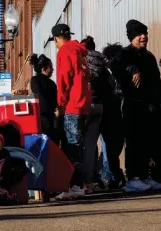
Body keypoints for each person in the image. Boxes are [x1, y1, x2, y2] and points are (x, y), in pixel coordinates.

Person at [111, 20, 161, 192]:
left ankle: (144, 175)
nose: (143, 37)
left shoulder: (149, 56)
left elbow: (157, 83)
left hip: (149, 106)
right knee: (134, 142)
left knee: (147, 142)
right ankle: (133, 178)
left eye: (145, 33)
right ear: (131, 37)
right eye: (138, 34)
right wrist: (131, 69)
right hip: (132, 106)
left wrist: (156, 100)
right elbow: (115, 66)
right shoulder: (124, 55)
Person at [52, 24, 91, 200]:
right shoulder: (80, 51)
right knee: (79, 147)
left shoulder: (64, 51)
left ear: (56, 39)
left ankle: (75, 186)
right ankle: (80, 184)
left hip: (72, 105)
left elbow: (63, 80)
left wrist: (60, 104)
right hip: (84, 104)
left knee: (72, 147)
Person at [80, 36, 112, 193]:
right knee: (93, 144)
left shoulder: (82, 59)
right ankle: (91, 182)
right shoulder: (103, 60)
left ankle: (85, 181)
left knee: (81, 145)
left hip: (84, 104)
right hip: (99, 105)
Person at [100, 43, 126, 189]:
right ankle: (111, 176)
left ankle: (113, 175)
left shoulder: (117, 74)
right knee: (110, 148)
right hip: (110, 115)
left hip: (115, 115)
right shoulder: (106, 74)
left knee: (112, 148)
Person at [29, 54, 62, 146]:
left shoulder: (35, 80)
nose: (52, 70)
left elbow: (38, 96)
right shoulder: (52, 83)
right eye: (50, 67)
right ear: (44, 69)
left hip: (41, 118)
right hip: (52, 118)